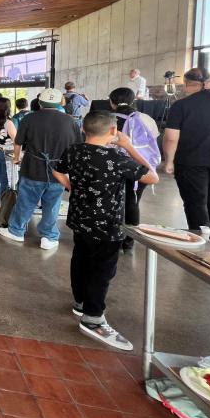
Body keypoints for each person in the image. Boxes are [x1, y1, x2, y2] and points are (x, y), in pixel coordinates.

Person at [53, 111, 158, 350]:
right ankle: (93, 317)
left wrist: (72, 188)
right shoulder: (117, 158)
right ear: (113, 131)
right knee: (102, 269)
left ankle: (80, 302)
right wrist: (129, 146)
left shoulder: (74, 151)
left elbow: (58, 171)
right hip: (107, 225)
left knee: (80, 259)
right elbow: (152, 177)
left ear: (83, 129)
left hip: (79, 219)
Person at [0, 89, 81, 249]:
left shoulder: (29, 118)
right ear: (60, 102)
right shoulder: (70, 121)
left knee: (25, 201)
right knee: (52, 205)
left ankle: (16, 231)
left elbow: (18, 142)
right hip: (59, 171)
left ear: (40, 102)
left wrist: (16, 158)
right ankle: (49, 237)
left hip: (32, 168)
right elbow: (77, 147)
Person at [163, 67, 210, 237]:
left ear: (187, 84)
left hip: (190, 162)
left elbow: (171, 138)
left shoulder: (181, 105)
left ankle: (202, 242)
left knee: (195, 204)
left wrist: (169, 161)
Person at [109, 87, 160, 251]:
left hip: (114, 165)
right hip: (141, 166)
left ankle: (112, 238)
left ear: (112, 102)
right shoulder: (146, 119)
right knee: (133, 201)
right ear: (133, 101)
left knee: (112, 201)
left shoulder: (108, 119)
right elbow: (153, 142)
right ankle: (129, 242)